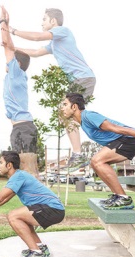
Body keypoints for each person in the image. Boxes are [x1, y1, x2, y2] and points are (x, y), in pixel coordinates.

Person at [9, 8, 96, 172]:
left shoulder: (62, 31)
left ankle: (78, 154)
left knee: (66, 112)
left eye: (44, 19)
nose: (42, 23)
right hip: (79, 80)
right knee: (69, 114)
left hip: (83, 78)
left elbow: (36, 37)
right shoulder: (54, 44)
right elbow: (35, 52)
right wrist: (14, 49)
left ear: (53, 21)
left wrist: (13, 31)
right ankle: (83, 148)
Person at [61, 93, 135, 209]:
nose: (62, 108)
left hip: (129, 139)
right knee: (96, 164)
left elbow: (114, 128)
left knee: (97, 161)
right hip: (124, 141)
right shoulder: (82, 123)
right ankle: (117, 195)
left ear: (74, 107)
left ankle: (123, 198)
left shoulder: (88, 116)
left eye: (65, 104)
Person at [0, 6, 39, 177]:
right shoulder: (13, 76)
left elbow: (8, 47)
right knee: (17, 169)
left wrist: (3, 23)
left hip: (24, 128)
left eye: (12, 60)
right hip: (20, 128)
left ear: (17, 64)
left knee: (28, 168)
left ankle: (39, 202)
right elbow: (8, 48)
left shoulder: (17, 73)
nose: (8, 61)